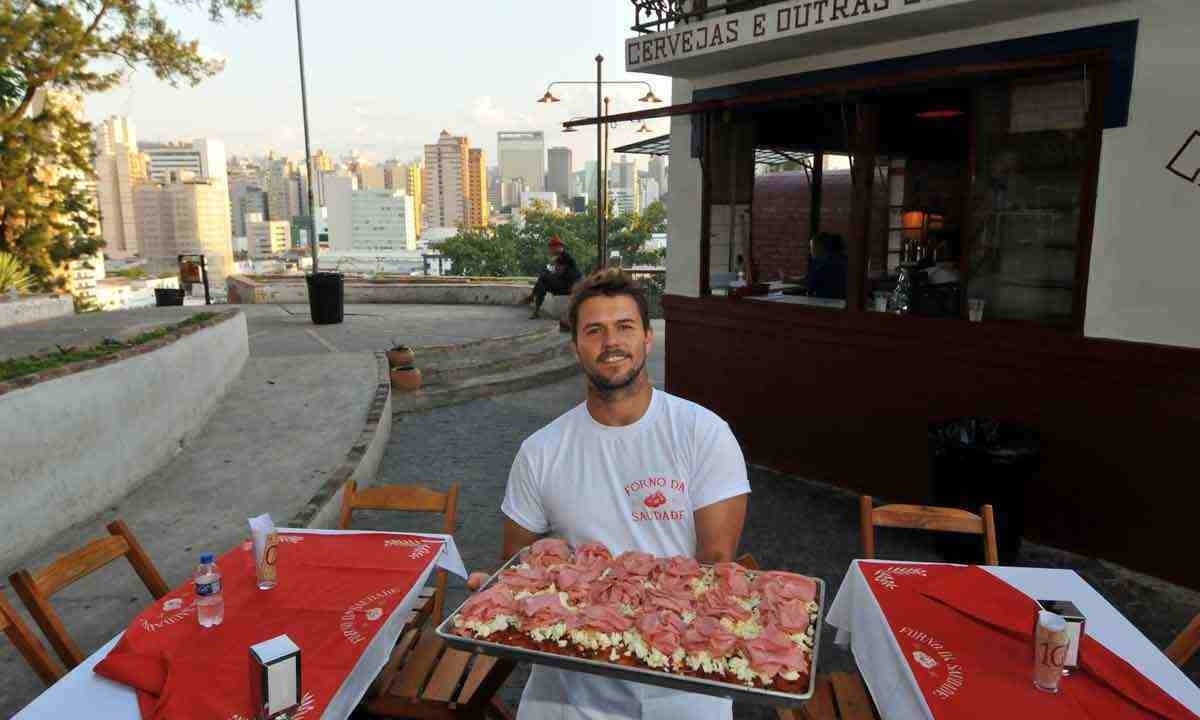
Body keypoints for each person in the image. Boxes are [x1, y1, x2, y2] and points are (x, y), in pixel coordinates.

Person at [467, 269, 751, 720]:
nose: (610, 342)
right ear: (575, 345)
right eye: (594, 330)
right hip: (570, 683)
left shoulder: (703, 433)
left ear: (648, 338)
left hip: (678, 673)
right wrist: (502, 591)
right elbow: (517, 560)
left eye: (624, 327)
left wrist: (644, 623)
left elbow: (714, 559)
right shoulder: (541, 450)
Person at [527, 235, 582, 319]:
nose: (550, 250)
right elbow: (555, 273)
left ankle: (532, 297)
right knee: (543, 284)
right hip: (563, 285)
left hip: (570, 287)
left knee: (543, 277)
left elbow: (560, 274)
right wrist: (549, 270)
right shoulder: (558, 259)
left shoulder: (567, 258)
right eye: (550, 247)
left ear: (559, 247)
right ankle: (536, 310)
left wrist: (550, 272)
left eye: (552, 247)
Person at [806, 232, 847, 300]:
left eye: (812, 247)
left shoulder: (821, 263)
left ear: (820, 247)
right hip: (841, 303)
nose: (810, 252)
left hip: (825, 304)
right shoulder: (844, 260)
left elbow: (810, 284)